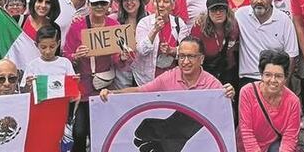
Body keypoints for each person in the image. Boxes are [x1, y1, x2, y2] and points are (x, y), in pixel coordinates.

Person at [63, 0, 133, 152]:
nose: (99, 7)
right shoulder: (77, 27)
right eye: (95, 4)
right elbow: (67, 54)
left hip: (104, 87)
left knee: (101, 133)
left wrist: (121, 57)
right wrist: (76, 56)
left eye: (103, 3)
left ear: (108, 4)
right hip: (83, 88)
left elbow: (120, 60)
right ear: (89, 5)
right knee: (79, 131)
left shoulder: (113, 25)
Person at [23, 25, 77, 152]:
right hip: (42, 124)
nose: (47, 51)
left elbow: (73, 95)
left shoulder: (65, 63)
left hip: (62, 121)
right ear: (37, 46)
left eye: (51, 46)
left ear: (58, 44)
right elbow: (26, 95)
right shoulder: (33, 66)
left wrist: (73, 86)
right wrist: (29, 86)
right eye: (43, 47)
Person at [99, 37, 235, 99]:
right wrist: (112, 94)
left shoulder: (212, 84)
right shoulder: (169, 77)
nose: (185, 62)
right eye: (181, 56)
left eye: (191, 56)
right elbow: (139, 91)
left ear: (202, 59)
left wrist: (228, 94)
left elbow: (223, 112)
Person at [235, 0, 299, 82]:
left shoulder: (284, 20)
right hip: (248, 77)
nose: (259, 1)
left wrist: (285, 81)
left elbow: (292, 55)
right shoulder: (240, 15)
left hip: (275, 78)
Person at [134, 0, 191, 86]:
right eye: (158, 1)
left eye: (166, 1)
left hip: (172, 77)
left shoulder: (179, 23)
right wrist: (154, 30)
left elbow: (186, 50)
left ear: (173, 6)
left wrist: (171, 51)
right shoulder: (144, 23)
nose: (161, 5)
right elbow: (141, 50)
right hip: (147, 78)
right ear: (153, 4)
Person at [188, 0, 241, 89]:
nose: (218, 13)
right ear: (208, 12)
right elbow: (192, 50)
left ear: (227, 11)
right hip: (206, 72)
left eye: (221, 9)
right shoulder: (199, 27)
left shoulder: (234, 26)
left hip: (228, 71)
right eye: (214, 10)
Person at [112, 0, 148, 89]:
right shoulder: (113, 20)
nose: (129, 2)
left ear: (139, 1)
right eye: (126, 0)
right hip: (121, 74)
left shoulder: (148, 20)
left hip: (144, 72)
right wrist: (119, 57)